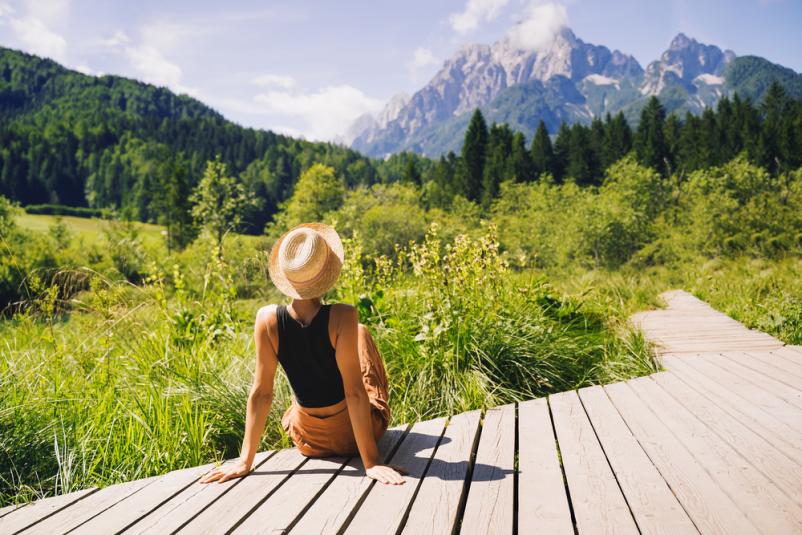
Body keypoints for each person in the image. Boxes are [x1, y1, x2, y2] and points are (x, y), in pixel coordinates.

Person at [199, 222, 407, 486]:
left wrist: (244, 461)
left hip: (309, 440)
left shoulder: (266, 320)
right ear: (327, 273)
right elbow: (355, 393)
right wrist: (371, 462)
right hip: (353, 438)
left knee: (294, 408)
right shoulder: (344, 317)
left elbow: (261, 393)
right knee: (362, 333)